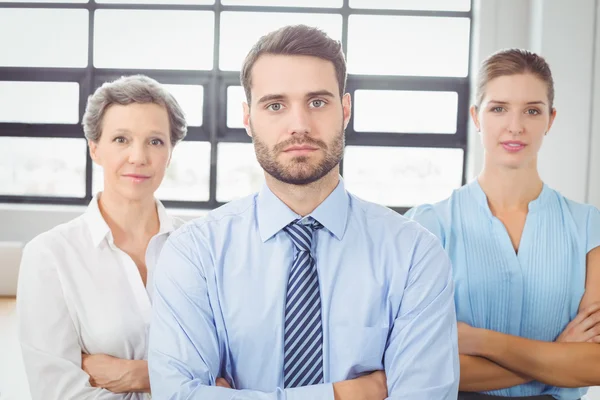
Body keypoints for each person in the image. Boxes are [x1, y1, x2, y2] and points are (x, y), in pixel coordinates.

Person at [147, 24, 459, 400]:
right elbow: (177, 395)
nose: (299, 125)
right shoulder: (193, 253)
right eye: (275, 105)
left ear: (344, 110)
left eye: (317, 102)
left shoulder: (414, 255)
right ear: (248, 118)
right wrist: (346, 394)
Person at [406, 49, 600, 400]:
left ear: (550, 119)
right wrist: (557, 359)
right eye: (498, 108)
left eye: (532, 110)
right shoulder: (429, 226)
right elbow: (420, 366)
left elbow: (595, 364)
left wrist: (479, 340)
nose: (516, 126)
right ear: (476, 116)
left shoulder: (590, 228)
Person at [17, 75, 187, 400]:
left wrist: (135, 375)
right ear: (95, 149)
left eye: (155, 141)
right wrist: (185, 380)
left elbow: (231, 374)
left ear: (170, 152)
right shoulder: (50, 255)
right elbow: (58, 392)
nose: (138, 156)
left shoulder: (199, 246)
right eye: (121, 139)